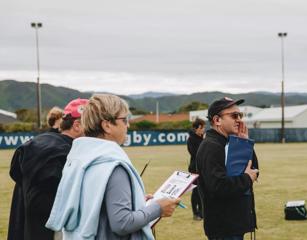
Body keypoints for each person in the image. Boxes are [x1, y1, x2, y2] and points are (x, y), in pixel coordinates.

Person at [46, 94, 180, 240]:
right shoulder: (113, 165)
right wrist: (157, 208)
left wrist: (136, 201)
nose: (128, 125)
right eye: (124, 120)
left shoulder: (78, 158)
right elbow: (122, 223)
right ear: (107, 125)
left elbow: (94, 206)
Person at [7, 98, 88, 240]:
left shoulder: (38, 146)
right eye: (94, 124)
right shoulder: (65, 155)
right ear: (77, 125)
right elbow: (49, 209)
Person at [196, 97, 259, 240]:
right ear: (217, 120)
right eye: (234, 116)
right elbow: (218, 186)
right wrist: (247, 178)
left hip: (234, 224)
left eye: (240, 115)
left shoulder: (232, 142)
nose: (239, 120)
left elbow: (254, 169)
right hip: (224, 228)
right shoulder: (211, 146)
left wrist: (243, 143)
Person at [187, 117, 206, 220]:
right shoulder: (191, 139)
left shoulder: (202, 138)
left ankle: (202, 212)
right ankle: (195, 213)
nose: (204, 129)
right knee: (195, 191)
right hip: (194, 169)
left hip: (203, 169)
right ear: (198, 128)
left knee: (202, 191)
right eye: (203, 127)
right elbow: (195, 153)